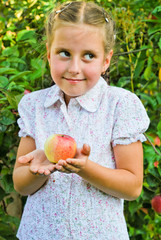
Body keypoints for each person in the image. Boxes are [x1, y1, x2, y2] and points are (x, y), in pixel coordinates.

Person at [13, 1, 150, 239]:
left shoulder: (119, 105)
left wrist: (86, 169)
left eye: (88, 56)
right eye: (64, 53)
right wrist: (37, 170)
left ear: (105, 60)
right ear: (48, 53)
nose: (74, 68)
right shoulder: (33, 106)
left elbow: (132, 187)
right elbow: (20, 185)